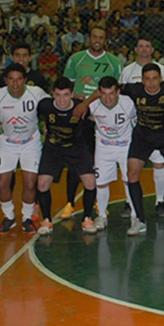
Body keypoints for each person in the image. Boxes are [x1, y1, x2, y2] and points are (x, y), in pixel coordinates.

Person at [60, 25, 122, 218]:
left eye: (101, 37)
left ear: (105, 40)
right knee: (75, 161)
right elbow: (65, 86)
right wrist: (73, 100)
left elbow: (117, 91)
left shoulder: (114, 62)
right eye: (94, 36)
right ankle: (70, 203)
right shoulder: (76, 59)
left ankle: (97, 200)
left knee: (97, 162)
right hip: (80, 116)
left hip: (102, 118)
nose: (97, 40)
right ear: (89, 39)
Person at [121, 64, 164, 235]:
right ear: (142, 80)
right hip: (143, 136)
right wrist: (84, 103)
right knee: (132, 173)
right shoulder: (134, 90)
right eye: (147, 79)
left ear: (161, 79)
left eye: (155, 78)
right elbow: (108, 88)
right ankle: (140, 221)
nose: (151, 83)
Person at [33, 77, 100, 234]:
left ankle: (87, 218)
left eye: (65, 95)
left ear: (72, 94)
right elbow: (33, 119)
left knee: (90, 182)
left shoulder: (80, 108)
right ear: (52, 94)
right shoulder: (45, 106)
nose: (61, 100)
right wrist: (43, 127)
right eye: (57, 95)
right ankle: (47, 220)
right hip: (53, 149)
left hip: (76, 148)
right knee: (42, 184)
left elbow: (95, 118)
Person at [0, 63, 47, 234]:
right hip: (7, 143)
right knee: (3, 182)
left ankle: (27, 218)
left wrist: (48, 124)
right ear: (5, 80)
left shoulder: (36, 94)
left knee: (30, 183)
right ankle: (9, 217)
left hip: (31, 142)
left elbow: (50, 108)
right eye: (11, 79)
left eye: (19, 79)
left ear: (25, 80)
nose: (15, 83)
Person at [119, 37, 164, 218]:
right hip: (134, 126)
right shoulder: (127, 70)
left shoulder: (162, 69)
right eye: (140, 46)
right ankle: (129, 202)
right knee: (131, 166)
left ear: (152, 49)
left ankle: (160, 201)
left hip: (157, 125)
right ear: (135, 49)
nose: (144, 49)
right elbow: (123, 95)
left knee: (159, 163)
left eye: (147, 46)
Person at [88, 76, 137, 229]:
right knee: (101, 183)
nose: (107, 98)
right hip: (104, 147)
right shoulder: (93, 105)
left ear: (118, 92)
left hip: (125, 146)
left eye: (111, 93)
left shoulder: (128, 103)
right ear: (98, 93)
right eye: (103, 94)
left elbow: (138, 120)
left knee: (129, 180)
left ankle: (135, 215)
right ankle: (101, 215)